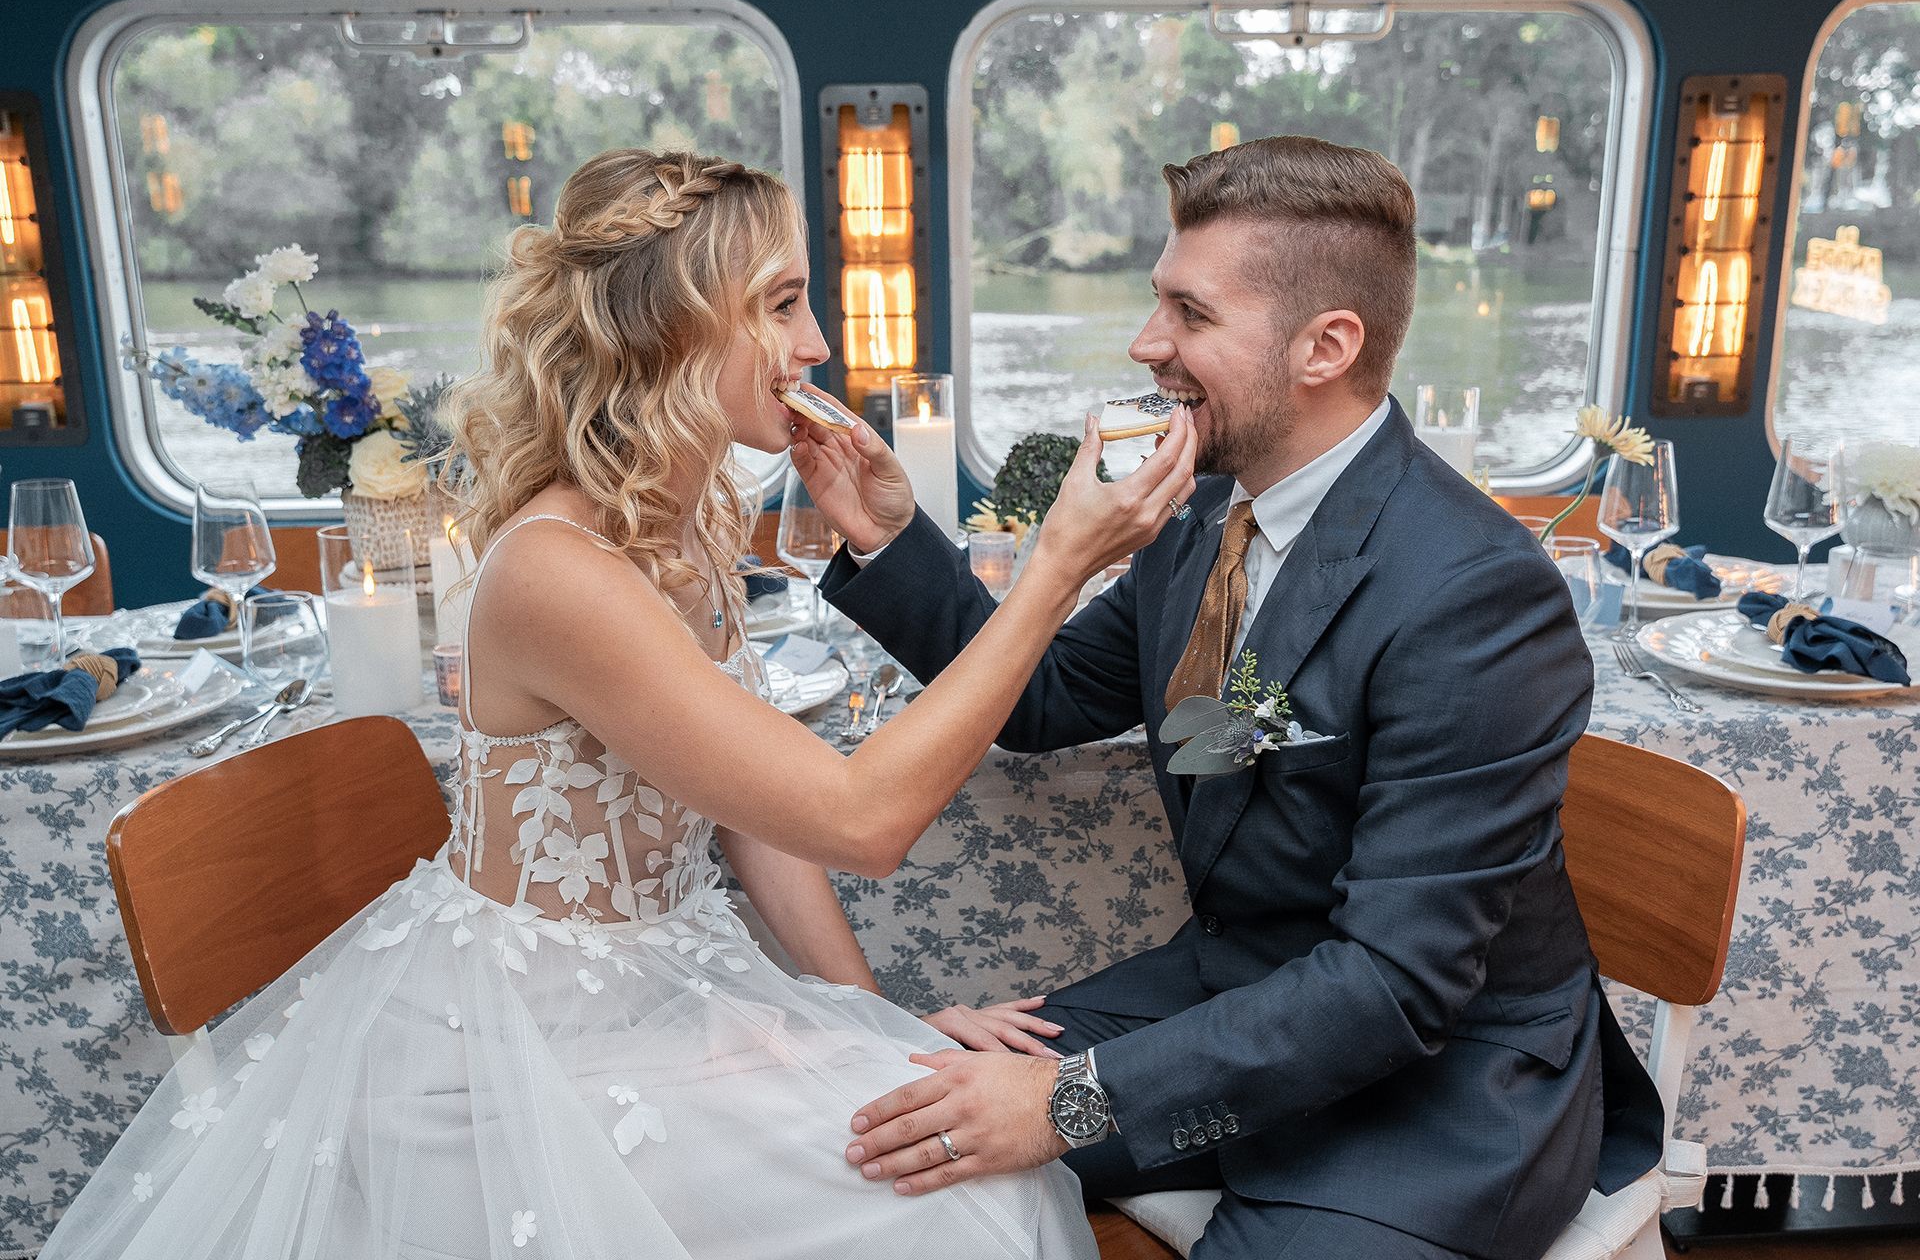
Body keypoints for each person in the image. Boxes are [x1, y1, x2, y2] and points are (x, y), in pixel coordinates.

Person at [38, 148, 1196, 1260]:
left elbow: (754, 813)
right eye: (783, 304)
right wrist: (1054, 569)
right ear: (671, 323)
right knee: (967, 1203)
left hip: (668, 984)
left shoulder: (688, 519)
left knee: (983, 1164)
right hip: (518, 1049)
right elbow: (859, 821)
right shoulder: (556, 572)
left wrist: (869, 1027)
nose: (818, 343)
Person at [796, 135, 1664, 1260]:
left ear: (1327, 345)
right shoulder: (1205, 514)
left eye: (1189, 314)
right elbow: (1045, 696)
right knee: (882, 1134)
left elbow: (1395, 984)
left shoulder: (1476, 595)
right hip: (1228, 997)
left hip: (1436, 1086)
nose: (1146, 344)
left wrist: (1064, 1099)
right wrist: (887, 534)